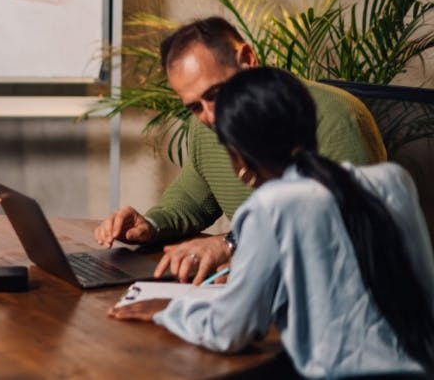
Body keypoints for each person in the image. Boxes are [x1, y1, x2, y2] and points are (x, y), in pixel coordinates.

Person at [109, 67, 434, 378]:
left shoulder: (271, 205)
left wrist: (169, 310)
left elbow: (231, 331)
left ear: (238, 158)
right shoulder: (394, 180)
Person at [94, 17, 386, 283]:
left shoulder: (334, 114)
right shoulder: (204, 126)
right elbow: (190, 200)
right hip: (266, 283)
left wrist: (231, 243)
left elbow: (339, 224)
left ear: (247, 59)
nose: (209, 116)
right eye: (195, 106)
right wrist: (150, 225)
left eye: (215, 94)